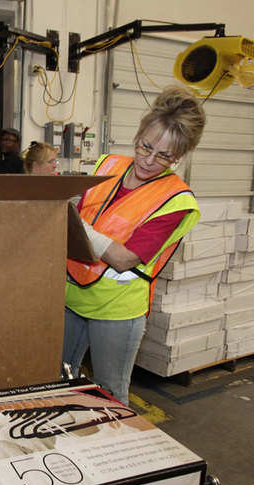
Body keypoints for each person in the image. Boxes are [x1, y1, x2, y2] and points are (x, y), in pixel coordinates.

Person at [63, 85, 205, 405]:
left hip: (117, 310)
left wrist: (68, 220)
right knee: (60, 379)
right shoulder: (108, 165)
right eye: (145, 146)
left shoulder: (175, 200)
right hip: (73, 294)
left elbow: (124, 259)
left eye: (164, 156)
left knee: (110, 393)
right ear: (139, 134)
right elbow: (83, 206)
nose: (149, 159)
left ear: (178, 157)